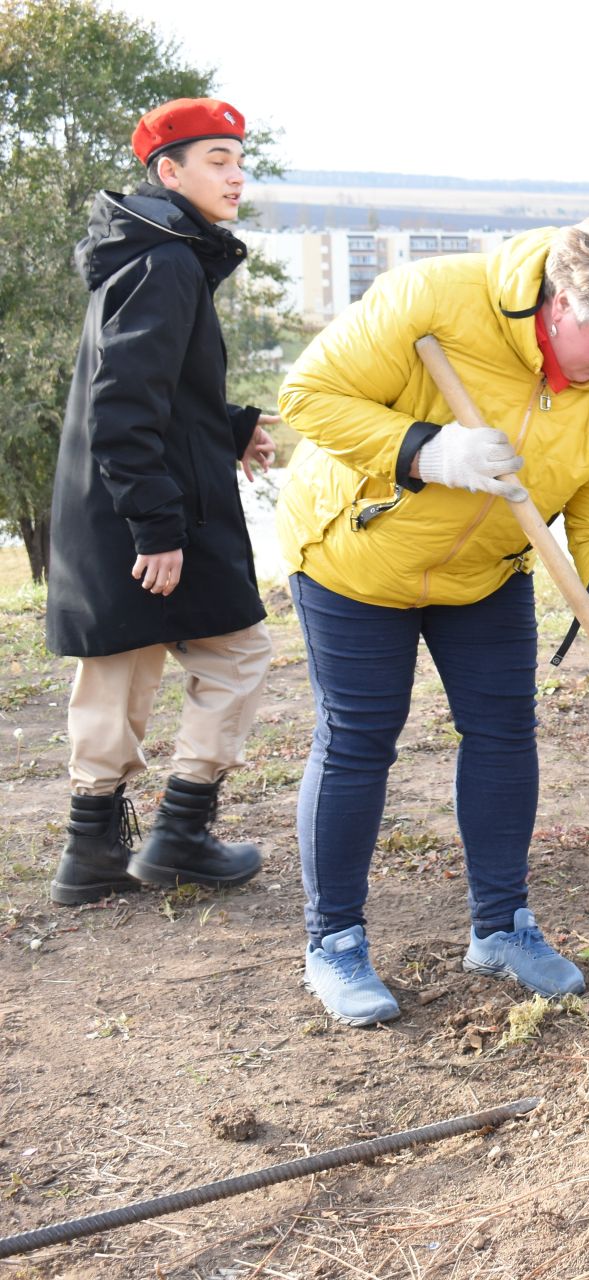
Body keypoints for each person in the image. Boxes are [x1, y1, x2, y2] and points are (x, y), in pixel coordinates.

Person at [275, 213, 589, 1026]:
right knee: (360, 736)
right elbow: (307, 396)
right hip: (357, 554)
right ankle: (335, 942)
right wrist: (428, 451)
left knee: (503, 732)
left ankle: (502, 927)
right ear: (562, 302)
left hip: (485, 570)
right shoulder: (433, 298)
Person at [45, 97, 278, 907]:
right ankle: (180, 832)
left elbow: (158, 393)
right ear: (167, 172)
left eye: (238, 159)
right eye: (216, 159)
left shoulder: (150, 251)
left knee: (120, 669)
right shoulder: (167, 261)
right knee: (239, 655)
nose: (236, 173)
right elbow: (123, 402)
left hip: (114, 503)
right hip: (146, 508)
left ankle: (91, 853)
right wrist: (156, 526)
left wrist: (231, 427)